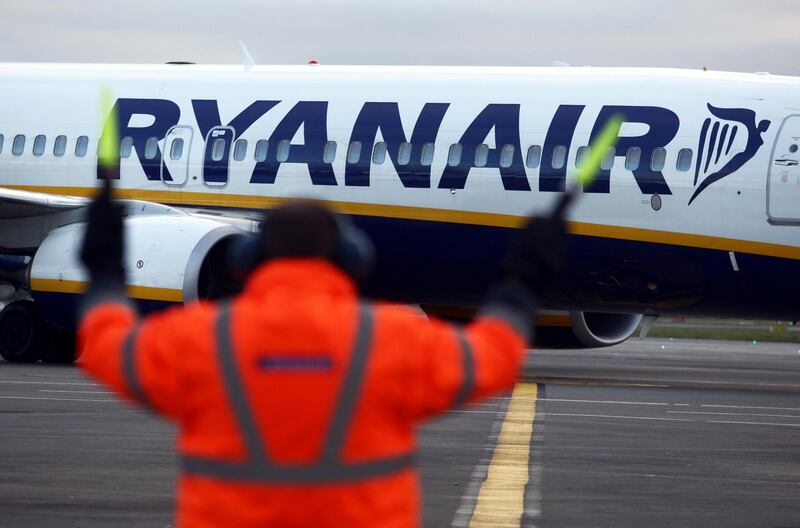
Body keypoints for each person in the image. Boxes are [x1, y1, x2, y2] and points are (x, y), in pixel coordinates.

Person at [77, 166, 568, 527]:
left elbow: (106, 347)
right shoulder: (390, 339)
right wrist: (522, 283)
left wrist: (103, 270)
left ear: (249, 259)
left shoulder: (206, 337)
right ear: (351, 258)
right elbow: (495, 354)